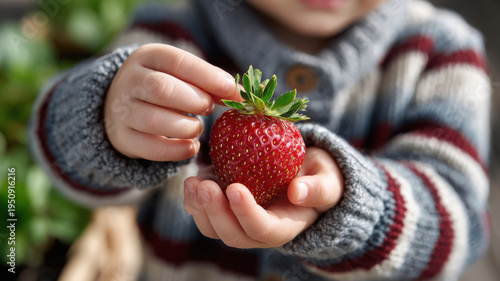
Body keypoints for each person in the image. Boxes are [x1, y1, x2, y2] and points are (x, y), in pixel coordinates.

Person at [30, 0, 491, 280]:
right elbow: (62, 149)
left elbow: (460, 223)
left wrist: (354, 202)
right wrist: (106, 116)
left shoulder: (441, 53)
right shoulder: (171, 35)